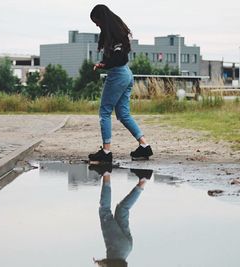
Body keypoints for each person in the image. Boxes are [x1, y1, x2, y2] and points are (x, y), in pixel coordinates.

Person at [88, 4, 153, 164]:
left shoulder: (116, 36)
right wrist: (104, 63)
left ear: (102, 19)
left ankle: (106, 151)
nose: (96, 25)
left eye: (96, 21)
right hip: (125, 74)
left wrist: (105, 65)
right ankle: (145, 146)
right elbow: (117, 57)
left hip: (118, 75)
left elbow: (119, 58)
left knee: (104, 112)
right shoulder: (117, 33)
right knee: (123, 114)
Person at [89, 165, 153, 267]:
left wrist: (102, 263)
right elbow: (112, 264)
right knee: (105, 211)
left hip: (127, 248)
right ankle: (106, 172)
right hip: (118, 247)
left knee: (122, 209)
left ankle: (142, 181)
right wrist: (101, 263)